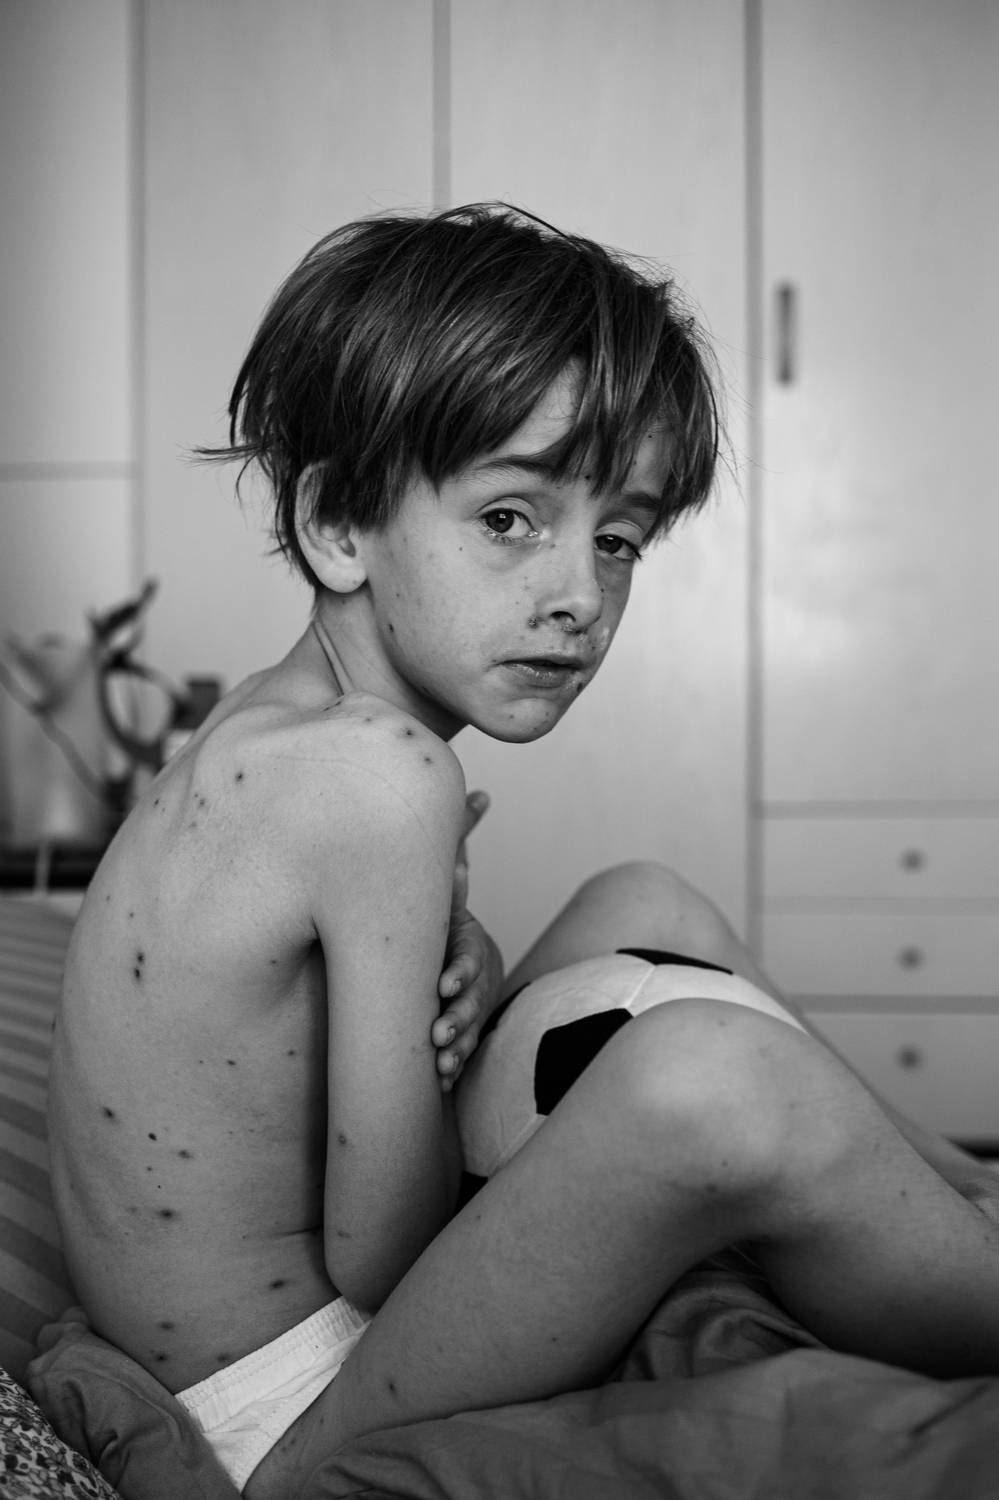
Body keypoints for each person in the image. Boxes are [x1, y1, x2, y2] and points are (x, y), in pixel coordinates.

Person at [44, 204, 999, 1500]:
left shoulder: (274, 731)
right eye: (510, 518)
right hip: (290, 1410)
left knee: (640, 900)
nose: (580, 596)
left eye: (618, 538)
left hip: (242, 1346)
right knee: (711, 1080)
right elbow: (383, 1256)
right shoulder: (383, 776)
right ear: (339, 524)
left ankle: (949, 1189)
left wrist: (458, 977)